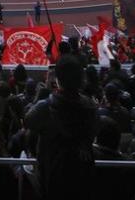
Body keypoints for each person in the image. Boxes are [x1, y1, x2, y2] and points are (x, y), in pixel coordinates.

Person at [25, 54, 98, 200]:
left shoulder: (45, 107)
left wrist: (44, 91)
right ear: (81, 80)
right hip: (82, 180)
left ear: (57, 80)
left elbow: (28, 121)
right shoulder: (91, 107)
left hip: (53, 180)